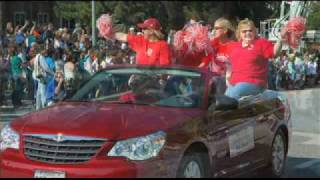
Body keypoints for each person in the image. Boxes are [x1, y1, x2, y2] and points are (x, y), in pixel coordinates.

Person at [225, 18, 285, 100]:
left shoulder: (261, 43)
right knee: (224, 99)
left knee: (231, 97)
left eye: (250, 30)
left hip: (254, 82)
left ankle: (272, 96)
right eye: (244, 31)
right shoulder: (234, 46)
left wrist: (281, 39)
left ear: (255, 31)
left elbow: (274, 52)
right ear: (239, 33)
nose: (248, 33)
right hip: (234, 83)